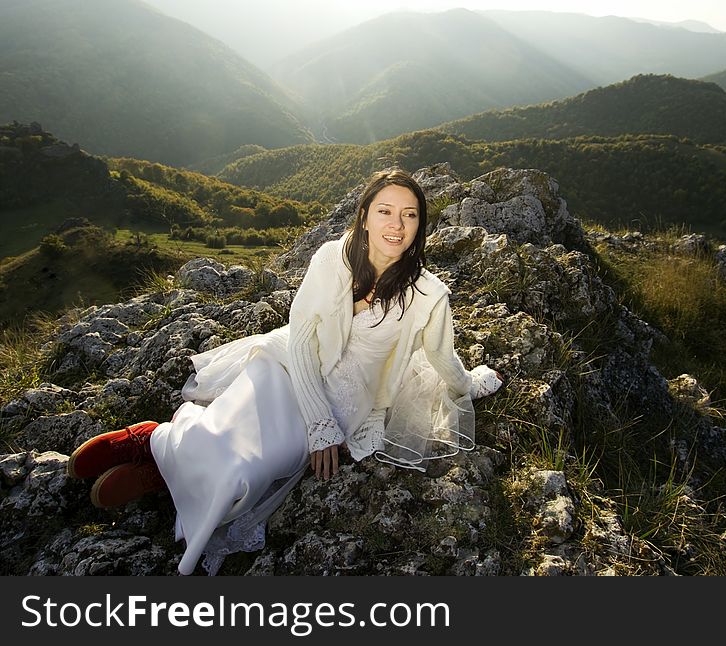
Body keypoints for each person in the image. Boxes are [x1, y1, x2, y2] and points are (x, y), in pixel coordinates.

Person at [66, 168, 504, 575]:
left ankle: (163, 463)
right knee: (231, 425)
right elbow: (299, 337)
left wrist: (472, 384)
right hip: (288, 363)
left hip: (346, 398)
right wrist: (317, 423)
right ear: (365, 216)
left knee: (259, 466)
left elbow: (445, 361)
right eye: (385, 211)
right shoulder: (333, 258)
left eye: (409, 215)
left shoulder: (429, 296)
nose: (397, 224)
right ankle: (151, 441)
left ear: (419, 225)